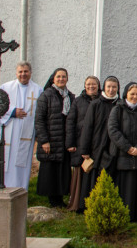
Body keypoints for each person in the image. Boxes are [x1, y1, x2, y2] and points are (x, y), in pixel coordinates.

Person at [110, 81, 137, 222]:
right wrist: (127, 147)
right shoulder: (118, 109)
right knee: (126, 187)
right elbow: (113, 130)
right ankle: (126, 215)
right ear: (126, 94)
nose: (135, 97)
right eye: (132, 94)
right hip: (123, 154)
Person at [0, 62, 43, 190]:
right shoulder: (6, 88)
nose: (23, 74)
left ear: (30, 72)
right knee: (7, 161)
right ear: (16, 73)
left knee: (22, 164)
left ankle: (21, 191)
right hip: (9, 130)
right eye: (20, 72)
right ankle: (5, 189)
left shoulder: (38, 90)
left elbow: (40, 112)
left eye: (26, 71)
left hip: (27, 133)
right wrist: (13, 112)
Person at [35, 68, 75, 207]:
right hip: (51, 139)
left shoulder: (70, 96)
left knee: (62, 170)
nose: (61, 79)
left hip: (63, 140)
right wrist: (44, 140)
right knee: (51, 170)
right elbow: (39, 119)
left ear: (67, 79)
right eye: (58, 76)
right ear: (53, 78)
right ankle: (52, 199)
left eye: (64, 76)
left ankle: (60, 198)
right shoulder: (46, 95)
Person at [78, 76, 120, 209]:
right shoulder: (96, 104)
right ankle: (91, 205)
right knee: (94, 176)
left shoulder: (120, 104)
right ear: (104, 88)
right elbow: (87, 127)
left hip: (114, 146)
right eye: (109, 87)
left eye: (114, 87)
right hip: (96, 146)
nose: (111, 90)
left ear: (118, 88)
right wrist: (84, 150)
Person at [65, 76, 100, 211]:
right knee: (81, 171)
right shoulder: (78, 101)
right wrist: (70, 143)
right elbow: (70, 122)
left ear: (98, 86)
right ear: (85, 86)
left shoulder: (101, 100)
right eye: (88, 84)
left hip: (96, 143)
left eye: (94, 84)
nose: (91, 86)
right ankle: (78, 203)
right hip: (80, 141)